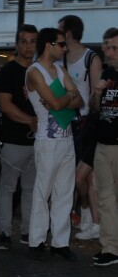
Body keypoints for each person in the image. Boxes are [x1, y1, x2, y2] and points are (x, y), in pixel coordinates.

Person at [26, 28, 83, 261]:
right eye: (61, 44)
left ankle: (60, 243)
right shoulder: (34, 72)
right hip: (48, 141)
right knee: (43, 192)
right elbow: (57, 103)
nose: (64, 48)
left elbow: (77, 98)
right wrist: (68, 97)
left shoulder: (59, 69)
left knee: (64, 193)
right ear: (48, 45)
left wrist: (66, 97)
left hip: (66, 138)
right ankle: (36, 241)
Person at [57, 15, 102, 235]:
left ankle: (88, 215)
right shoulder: (60, 59)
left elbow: (96, 96)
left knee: (81, 176)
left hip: (84, 123)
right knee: (71, 176)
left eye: (60, 31)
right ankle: (83, 216)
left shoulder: (90, 58)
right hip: (65, 122)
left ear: (68, 33)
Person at [0, 25, 38, 250]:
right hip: (13, 140)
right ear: (17, 44)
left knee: (32, 189)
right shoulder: (8, 72)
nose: (28, 45)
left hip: (37, 142)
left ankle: (28, 232)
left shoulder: (41, 71)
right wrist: (31, 121)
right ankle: (4, 232)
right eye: (24, 41)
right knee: (8, 187)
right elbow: (6, 105)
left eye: (32, 41)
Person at [90, 29, 118, 267]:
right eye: (107, 47)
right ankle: (110, 247)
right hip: (103, 145)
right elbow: (94, 110)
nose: (108, 52)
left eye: (114, 48)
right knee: (105, 199)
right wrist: (97, 93)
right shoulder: (106, 74)